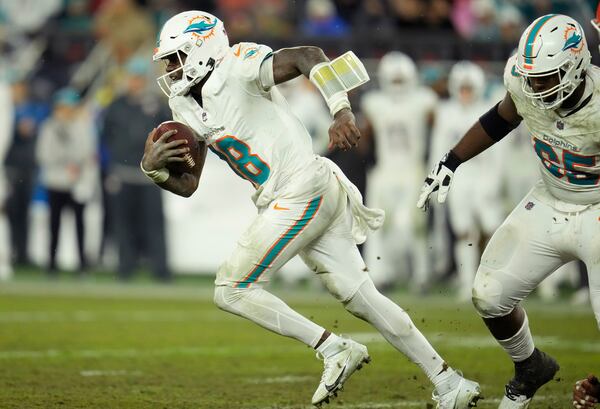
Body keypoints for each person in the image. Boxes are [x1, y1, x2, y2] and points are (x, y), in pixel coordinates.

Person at [141, 10, 481, 408]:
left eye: (175, 57)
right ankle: (449, 382)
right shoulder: (183, 105)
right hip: (296, 192)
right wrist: (153, 169)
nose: (169, 68)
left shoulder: (238, 65)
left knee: (230, 288)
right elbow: (189, 185)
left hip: (301, 185)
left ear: (202, 48)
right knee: (360, 296)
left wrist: (342, 110)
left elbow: (308, 54)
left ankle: (333, 348)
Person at [418, 14, 600, 409]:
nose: (535, 86)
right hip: (550, 199)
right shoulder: (523, 83)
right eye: (531, 77)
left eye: (546, 78)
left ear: (574, 68)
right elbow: (502, 116)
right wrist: (452, 160)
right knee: (488, 295)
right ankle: (530, 366)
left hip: (598, 211)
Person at [361, 51, 437, 292]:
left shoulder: (424, 99)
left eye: (401, 80)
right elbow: (366, 136)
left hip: (413, 171)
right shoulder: (374, 102)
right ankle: (380, 274)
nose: (397, 85)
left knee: (412, 225)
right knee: (377, 226)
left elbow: (438, 127)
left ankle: (421, 274)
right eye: (393, 80)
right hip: (384, 171)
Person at [428, 61, 505, 301]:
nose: (465, 92)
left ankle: (496, 282)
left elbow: (499, 154)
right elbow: (438, 150)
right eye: (462, 87)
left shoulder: (489, 109)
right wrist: (435, 179)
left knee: (492, 230)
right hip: (458, 179)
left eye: (469, 87)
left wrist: (495, 181)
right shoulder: (445, 112)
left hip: (483, 177)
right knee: (463, 232)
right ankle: (466, 282)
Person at [102, 57, 171, 282]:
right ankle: (125, 268)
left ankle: (160, 270)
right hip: (123, 174)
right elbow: (105, 137)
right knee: (123, 225)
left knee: (154, 225)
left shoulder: (157, 105)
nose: (136, 82)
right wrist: (110, 167)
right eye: (133, 78)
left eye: (139, 79)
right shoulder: (116, 105)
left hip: (150, 176)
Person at [36, 88, 97, 275]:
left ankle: (81, 265)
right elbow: (44, 155)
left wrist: (74, 165)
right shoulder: (49, 126)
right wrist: (67, 162)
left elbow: (87, 151)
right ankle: (52, 264)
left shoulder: (82, 126)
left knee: (80, 224)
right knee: (54, 224)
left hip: (77, 182)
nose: (66, 111)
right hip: (56, 181)